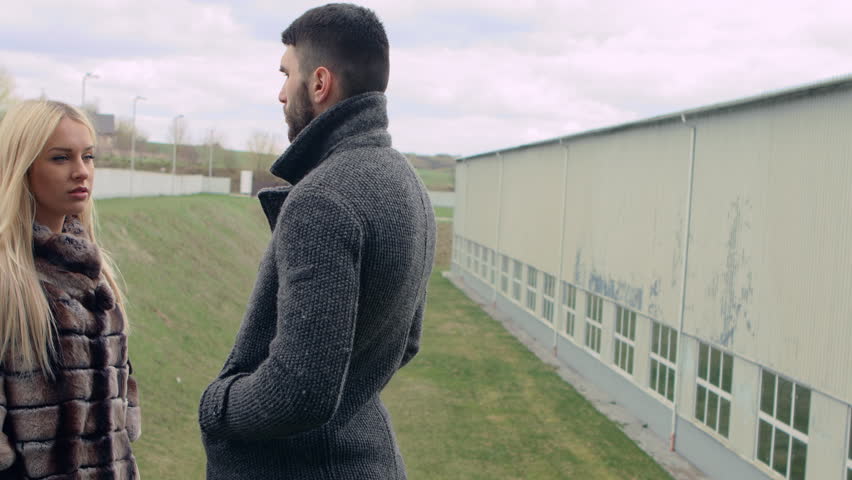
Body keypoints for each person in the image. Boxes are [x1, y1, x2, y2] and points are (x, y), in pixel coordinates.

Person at [198, 3, 436, 479]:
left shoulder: (321, 199)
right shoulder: (408, 183)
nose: (281, 93)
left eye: (287, 74)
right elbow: (406, 342)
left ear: (320, 83)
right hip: (370, 460)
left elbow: (296, 393)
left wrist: (216, 405)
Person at [0, 100, 141, 479]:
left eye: (89, 157)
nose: (81, 172)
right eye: (61, 158)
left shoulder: (97, 273)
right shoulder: (8, 281)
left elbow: (122, 392)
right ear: (23, 166)